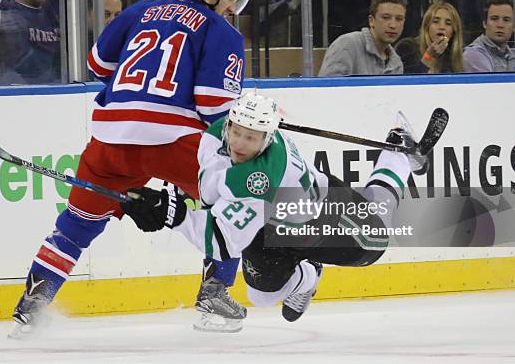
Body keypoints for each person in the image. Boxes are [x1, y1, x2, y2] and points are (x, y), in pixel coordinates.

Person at [8, 0, 249, 339]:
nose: (233, 6)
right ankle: (215, 293)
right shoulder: (221, 31)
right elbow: (212, 104)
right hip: (171, 139)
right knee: (233, 199)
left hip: (109, 136)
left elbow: (98, 66)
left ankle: (32, 305)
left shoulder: (139, 10)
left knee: (76, 225)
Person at [121, 92, 428, 330]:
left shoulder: (260, 180)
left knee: (376, 234)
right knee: (261, 296)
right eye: (237, 131)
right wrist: (168, 207)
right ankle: (308, 274)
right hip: (276, 227)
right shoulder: (217, 134)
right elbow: (214, 195)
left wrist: (171, 214)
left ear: (267, 139)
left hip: (328, 220)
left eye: (251, 137)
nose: (239, 144)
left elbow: (220, 243)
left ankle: (398, 152)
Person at [319, 0, 407, 76]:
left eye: (399, 19)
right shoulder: (347, 45)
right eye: (385, 17)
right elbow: (327, 88)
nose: (393, 25)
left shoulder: (396, 64)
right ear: (371, 21)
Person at [395, 1, 464, 74]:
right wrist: (429, 57)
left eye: (448, 23)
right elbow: (409, 82)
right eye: (435, 21)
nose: (442, 27)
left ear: (453, 32)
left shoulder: (451, 56)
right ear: (427, 26)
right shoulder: (407, 47)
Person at [463, 0, 515, 73]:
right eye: (494, 19)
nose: (500, 25)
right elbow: (492, 85)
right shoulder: (473, 54)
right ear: (484, 23)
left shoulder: (512, 55)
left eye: (506, 20)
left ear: (513, 27)